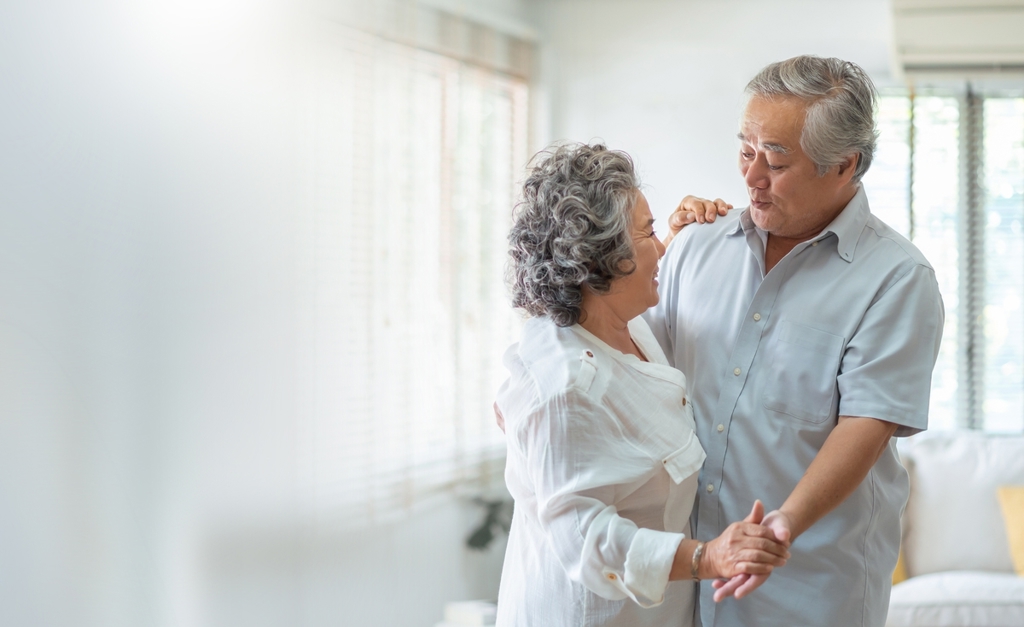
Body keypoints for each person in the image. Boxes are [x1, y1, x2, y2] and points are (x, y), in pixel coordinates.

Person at [645, 55, 945, 626]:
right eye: (745, 150)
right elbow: (641, 371)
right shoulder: (695, 245)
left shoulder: (897, 279)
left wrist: (783, 523)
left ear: (843, 166)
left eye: (776, 161)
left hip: (809, 588)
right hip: (686, 578)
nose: (751, 176)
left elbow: (867, 425)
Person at [494, 143, 790, 627]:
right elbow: (586, 538)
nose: (661, 249)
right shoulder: (565, 386)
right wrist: (708, 557)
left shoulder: (621, 327)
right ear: (598, 262)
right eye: (646, 232)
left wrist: (674, 234)